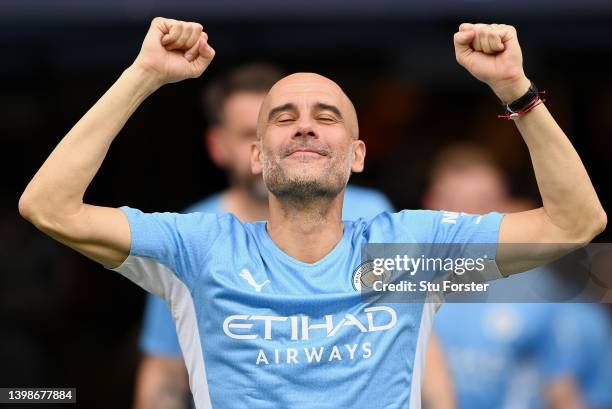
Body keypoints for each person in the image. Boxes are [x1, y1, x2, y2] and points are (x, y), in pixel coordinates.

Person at [19, 17, 606, 409]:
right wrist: (143, 76)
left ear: (357, 155)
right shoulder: (198, 247)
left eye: (327, 116)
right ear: (255, 155)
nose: (304, 123)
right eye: (283, 116)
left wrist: (516, 90)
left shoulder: (402, 254)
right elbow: (47, 206)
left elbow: (575, 225)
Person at [136, 63, 395, 408]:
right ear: (220, 145)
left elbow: (414, 338)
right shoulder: (195, 234)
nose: (300, 133)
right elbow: (166, 370)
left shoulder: (373, 215)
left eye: (317, 119)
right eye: (280, 123)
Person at [427, 144, 612, 409]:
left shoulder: (547, 298)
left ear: (505, 209)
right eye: (454, 203)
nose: (467, 216)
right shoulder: (398, 290)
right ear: (430, 204)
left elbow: (564, 393)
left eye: (483, 203)